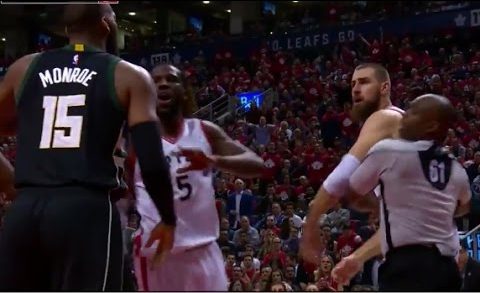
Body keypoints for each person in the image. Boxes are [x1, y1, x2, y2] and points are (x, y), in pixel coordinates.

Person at [0, 4, 177, 290]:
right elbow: (153, 162)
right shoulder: (128, 75)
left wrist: (12, 185)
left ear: (67, 28)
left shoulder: (25, 67)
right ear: (107, 25)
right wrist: (168, 218)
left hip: (25, 212)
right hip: (86, 211)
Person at [128, 64, 264, 291]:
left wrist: (215, 160)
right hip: (159, 253)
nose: (162, 84)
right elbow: (130, 193)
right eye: (156, 81)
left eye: (171, 79)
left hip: (204, 249)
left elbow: (257, 165)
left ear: (184, 90)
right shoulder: (136, 141)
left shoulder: (204, 131)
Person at [331, 94, 471, 291]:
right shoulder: (457, 169)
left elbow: (351, 193)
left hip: (406, 269)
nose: (404, 116)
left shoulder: (389, 151)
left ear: (430, 126)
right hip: (447, 270)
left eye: (412, 111)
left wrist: (380, 206)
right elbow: (463, 208)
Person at [301, 63, 404, 261]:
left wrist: (311, 223)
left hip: (417, 259)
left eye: (364, 82)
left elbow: (343, 173)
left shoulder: (385, 117)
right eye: (353, 84)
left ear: (385, 87)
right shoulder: (399, 125)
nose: (356, 89)